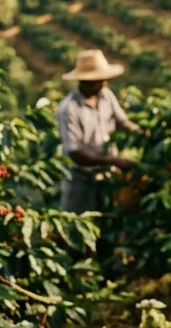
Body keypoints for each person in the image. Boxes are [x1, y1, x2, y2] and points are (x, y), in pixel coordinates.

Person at [54, 49, 139, 213]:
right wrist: (113, 161)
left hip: (109, 177)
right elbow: (75, 153)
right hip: (81, 179)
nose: (104, 84)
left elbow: (123, 122)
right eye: (99, 81)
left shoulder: (106, 95)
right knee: (79, 225)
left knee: (112, 224)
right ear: (85, 81)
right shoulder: (68, 109)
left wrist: (143, 133)